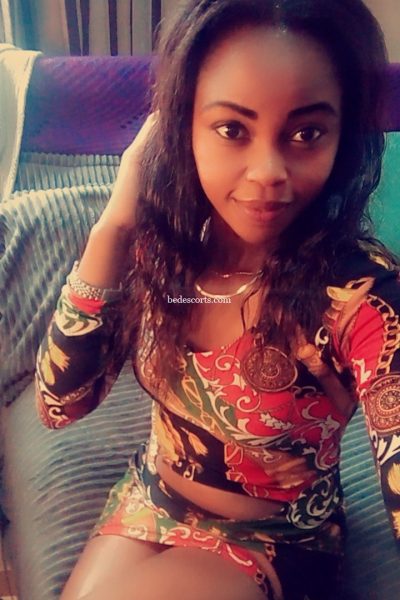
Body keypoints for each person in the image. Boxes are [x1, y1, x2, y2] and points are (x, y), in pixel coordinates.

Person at [35, 1, 400, 599]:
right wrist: (114, 227)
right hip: (149, 494)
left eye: (306, 133)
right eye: (232, 129)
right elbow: (59, 405)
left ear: (343, 136)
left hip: (274, 539)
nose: (267, 171)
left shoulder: (360, 297)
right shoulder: (163, 249)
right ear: (182, 127)